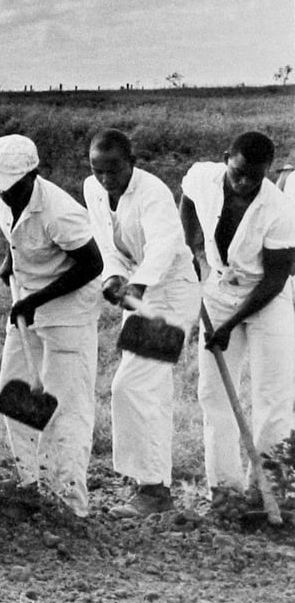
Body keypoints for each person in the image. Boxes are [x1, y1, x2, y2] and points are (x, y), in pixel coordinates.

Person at [0, 134, 103, 517]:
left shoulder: (59, 212)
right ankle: (30, 486)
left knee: (65, 407)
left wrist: (35, 301)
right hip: (29, 303)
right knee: (13, 392)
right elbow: (13, 232)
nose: (5, 196)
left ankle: (68, 502)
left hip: (69, 311)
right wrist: (9, 259)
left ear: (33, 175)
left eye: (14, 189)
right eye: (1, 188)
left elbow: (92, 265)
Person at [83, 129, 199, 518]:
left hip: (170, 292)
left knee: (132, 385)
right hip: (138, 293)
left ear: (132, 160)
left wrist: (136, 283)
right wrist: (112, 277)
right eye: (97, 170)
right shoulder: (92, 189)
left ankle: (154, 491)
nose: (105, 179)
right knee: (143, 389)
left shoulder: (152, 192)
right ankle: (149, 485)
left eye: (113, 169)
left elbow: (166, 245)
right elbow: (103, 240)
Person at [180, 130, 295, 510]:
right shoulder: (203, 176)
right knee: (213, 394)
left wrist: (230, 326)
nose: (244, 183)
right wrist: (188, 249)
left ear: (267, 171)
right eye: (238, 172)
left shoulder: (280, 209)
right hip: (217, 291)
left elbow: (277, 278)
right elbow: (188, 195)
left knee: (273, 395)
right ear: (226, 157)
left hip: (266, 295)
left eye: (254, 176)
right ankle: (225, 493)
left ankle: (268, 492)